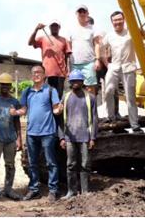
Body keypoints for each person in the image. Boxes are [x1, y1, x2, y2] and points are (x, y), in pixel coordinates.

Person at [11, 65, 62, 202]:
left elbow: (56, 109)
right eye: (34, 73)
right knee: (32, 163)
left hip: (48, 132)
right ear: (31, 76)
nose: (36, 75)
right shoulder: (27, 91)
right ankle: (34, 190)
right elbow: (24, 110)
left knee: (51, 162)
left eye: (39, 72)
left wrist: (60, 109)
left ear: (44, 75)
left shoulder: (51, 90)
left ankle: (53, 190)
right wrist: (15, 112)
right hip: (31, 133)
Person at [101, 11, 145, 132]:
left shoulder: (131, 31)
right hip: (114, 67)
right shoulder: (109, 35)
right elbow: (101, 47)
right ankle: (111, 117)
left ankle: (134, 124)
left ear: (124, 20)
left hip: (128, 67)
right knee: (108, 91)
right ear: (112, 22)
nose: (117, 22)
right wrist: (106, 63)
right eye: (115, 20)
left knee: (130, 97)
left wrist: (139, 30)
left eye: (119, 19)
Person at [58, 69, 97, 199]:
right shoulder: (66, 97)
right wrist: (62, 137)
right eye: (73, 81)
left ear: (82, 82)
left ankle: (85, 191)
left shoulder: (90, 98)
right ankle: (71, 191)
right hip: (69, 137)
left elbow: (95, 119)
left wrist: (93, 138)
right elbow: (61, 119)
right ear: (70, 82)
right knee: (70, 164)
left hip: (85, 136)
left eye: (78, 81)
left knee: (85, 164)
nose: (75, 83)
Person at [0, 72, 23, 201]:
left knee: (10, 164)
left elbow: (17, 122)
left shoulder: (14, 101)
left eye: (7, 85)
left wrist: (19, 139)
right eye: (2, 84)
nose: (5, 87)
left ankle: (8, 189)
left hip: (10, 138)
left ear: (10, 86)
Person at [28, 20, 71, 98]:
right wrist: (36, 29)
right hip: (47, 73)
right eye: (52, 26)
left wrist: (68, 71)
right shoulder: (43, 38)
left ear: (59, 27)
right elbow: (30, 43)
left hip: (60, 74)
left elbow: (67, 57)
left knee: (58, 96)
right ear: (50, 27)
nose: (54, 27)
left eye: (56, 26)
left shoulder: (64, 40)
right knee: (46, 96)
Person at [69, 5, 102, 95]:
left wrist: (97, 60)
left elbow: (97, 44)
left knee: (90, 88)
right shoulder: (71, 29)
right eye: (80, 12)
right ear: (76, 14)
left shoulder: (93, 28)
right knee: (75, 88)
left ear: (87, 13)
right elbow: (68, 48)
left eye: (84, 12)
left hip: (89, 63)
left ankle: (91, 108)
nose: (82, 13)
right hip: (74, 64)